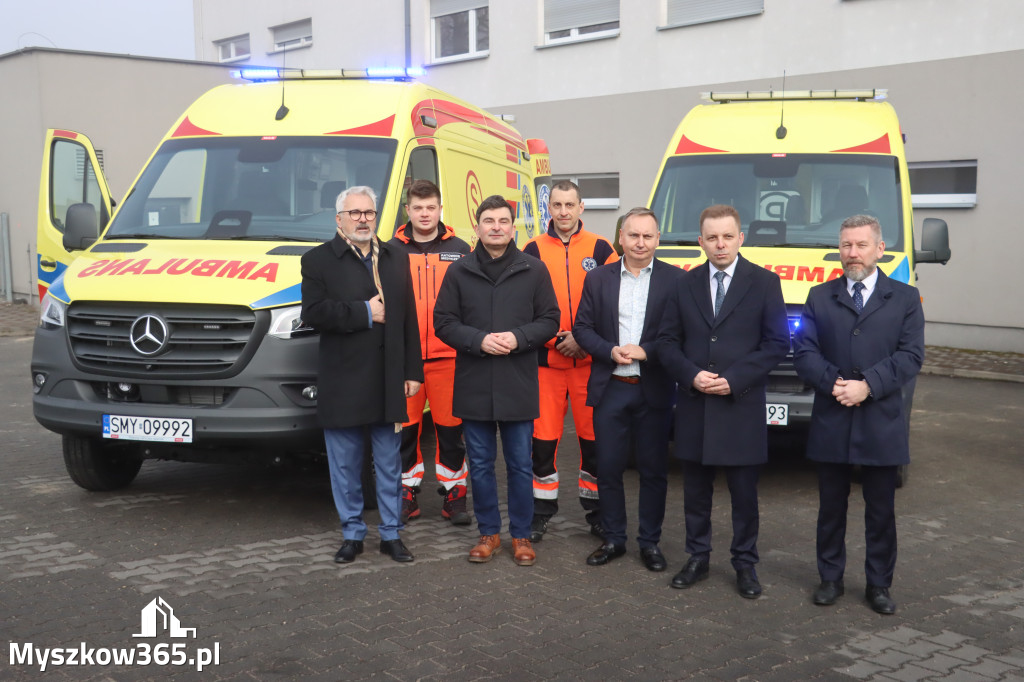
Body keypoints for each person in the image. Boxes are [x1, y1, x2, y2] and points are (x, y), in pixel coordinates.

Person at [794, 214, 924, 615]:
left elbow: (911, 356)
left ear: (879, 249)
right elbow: (803, 351)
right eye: (846, 245)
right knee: (830, 507)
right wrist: (834, 382)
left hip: (881, 421)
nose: (852, 253)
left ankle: (879, 585)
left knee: (881, 511)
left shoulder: (903, 298)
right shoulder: (819, 295)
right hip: (833, 418)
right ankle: (830, 578)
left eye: (861, 245)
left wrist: (868, 384)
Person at [657, 204, 789, 598]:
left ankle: (745, 564)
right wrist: (691, 375)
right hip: (696, 405)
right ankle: (698, 557)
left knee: (744, 497)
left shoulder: (765, 282)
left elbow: (777, 343)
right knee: (695, 493)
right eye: (711, 238)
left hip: (740, 406)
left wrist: (735, 380)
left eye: (727, 237)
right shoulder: (684, 284)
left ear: (740, 238)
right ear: (701, 241)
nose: (720, 245)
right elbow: (666, 341)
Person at [434, 194, 560, 566]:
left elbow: (550, 319)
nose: (496, 227)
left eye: (503, 221)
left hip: (517, 381)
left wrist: (519, 337)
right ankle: (489, 534)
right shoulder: (459, 271)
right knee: (482, 463)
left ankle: (521, 535)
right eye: (489, 221)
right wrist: (479, 340)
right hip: (474, 381)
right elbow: (444, 322)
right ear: (477, 227)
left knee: (521, 464)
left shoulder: (532, 269)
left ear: (512, 226)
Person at [301, 186, 423, 564]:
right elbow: (314, 313)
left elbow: (408, 318)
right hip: (343, 378)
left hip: (388, 377)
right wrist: (365, 313)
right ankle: (352, 534)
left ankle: (391, 534)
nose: (363, 219)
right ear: (339, 219)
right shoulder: (317, 260)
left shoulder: (396, 256)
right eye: (354, 213)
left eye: (368, 213)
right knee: (345, 464)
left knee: (389, 462)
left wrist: (412, 370)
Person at [573, 207, 684, 571]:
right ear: (621, 237)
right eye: (633, 235)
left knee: (653, 470)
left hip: (653, 388)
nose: (640, 242)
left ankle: (649, 542)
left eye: (647, 236)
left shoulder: (676, 281)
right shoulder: (599, 279)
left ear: (657, 239)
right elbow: (583, 328)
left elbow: (680, 336)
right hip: (611, 387)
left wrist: (647, 351)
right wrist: (609, 351)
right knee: (608, 468)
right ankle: (614, 539)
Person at [522, 180, 618, 542]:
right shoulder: (530, 249)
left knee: (593, 444)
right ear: (550, 209)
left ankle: (596, 513)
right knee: (542, 444)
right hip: (546, 366)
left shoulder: (602, 247)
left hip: (590, 366)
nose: (563, 212)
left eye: (570, 205)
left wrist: (584, 340)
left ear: (581, 208)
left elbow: (614, 303)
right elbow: (521, 305)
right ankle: (540, 513)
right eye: (557, 205)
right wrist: (554, 339)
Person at [389, 179, 472, 526]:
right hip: (405, 358)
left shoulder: (462, 249)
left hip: (449, 357)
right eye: (418, 208)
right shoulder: (391, 250)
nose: (425, 214)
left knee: (450, 428)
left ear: (440, 210)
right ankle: (407, 494)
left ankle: (455, 494)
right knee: (404, 429)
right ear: (408, 210)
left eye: (431, 208)